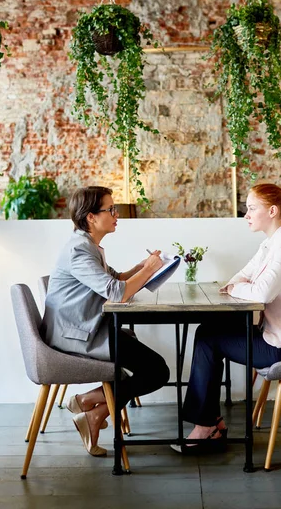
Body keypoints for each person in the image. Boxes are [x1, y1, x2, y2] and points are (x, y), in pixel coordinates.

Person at [173, 183, 281, 453]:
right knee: (208, 331)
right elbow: (239, 276)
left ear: (272, 211)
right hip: (279, 337)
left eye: (252, 208)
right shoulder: (271, 244)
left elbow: (262, 292)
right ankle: (209, 422)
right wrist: (238, 286)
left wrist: (238, 288)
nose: (246, 214)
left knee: (209, 338)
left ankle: (206, 426)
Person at [40, 186, 170, 457]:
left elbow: (117, 279)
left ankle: (90, 406)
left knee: (147, 365)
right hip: (73, 336)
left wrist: (142, 266)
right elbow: (117, 294)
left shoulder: (89, 246)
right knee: (157, 371)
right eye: (110, 209)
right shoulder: (79, 250)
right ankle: (92, 409)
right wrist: (147, 271)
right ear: (90, 217)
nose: (116, 214)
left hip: (85, 329)